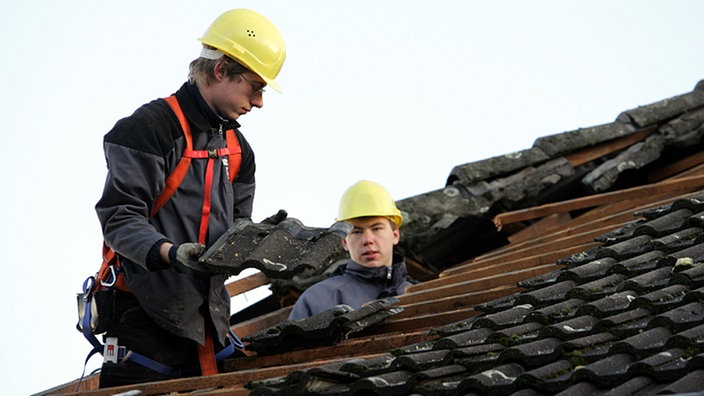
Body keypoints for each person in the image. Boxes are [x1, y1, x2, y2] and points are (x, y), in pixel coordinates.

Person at [94, 9, 286, 388]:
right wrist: (171, 253)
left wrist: (255, 242)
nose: (260, 101)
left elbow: (233, 231)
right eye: (255, 86)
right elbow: (120, 219)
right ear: (220, 71)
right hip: (144, 323)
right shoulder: (148, 130)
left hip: (209, 325)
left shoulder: (237, 151)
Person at [288, 180, 416, 320]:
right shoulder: (318, 299)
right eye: (356, 232)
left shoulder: (420, 293)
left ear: (395, 235)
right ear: (344, 242)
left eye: (377, 229)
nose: (368, 240)